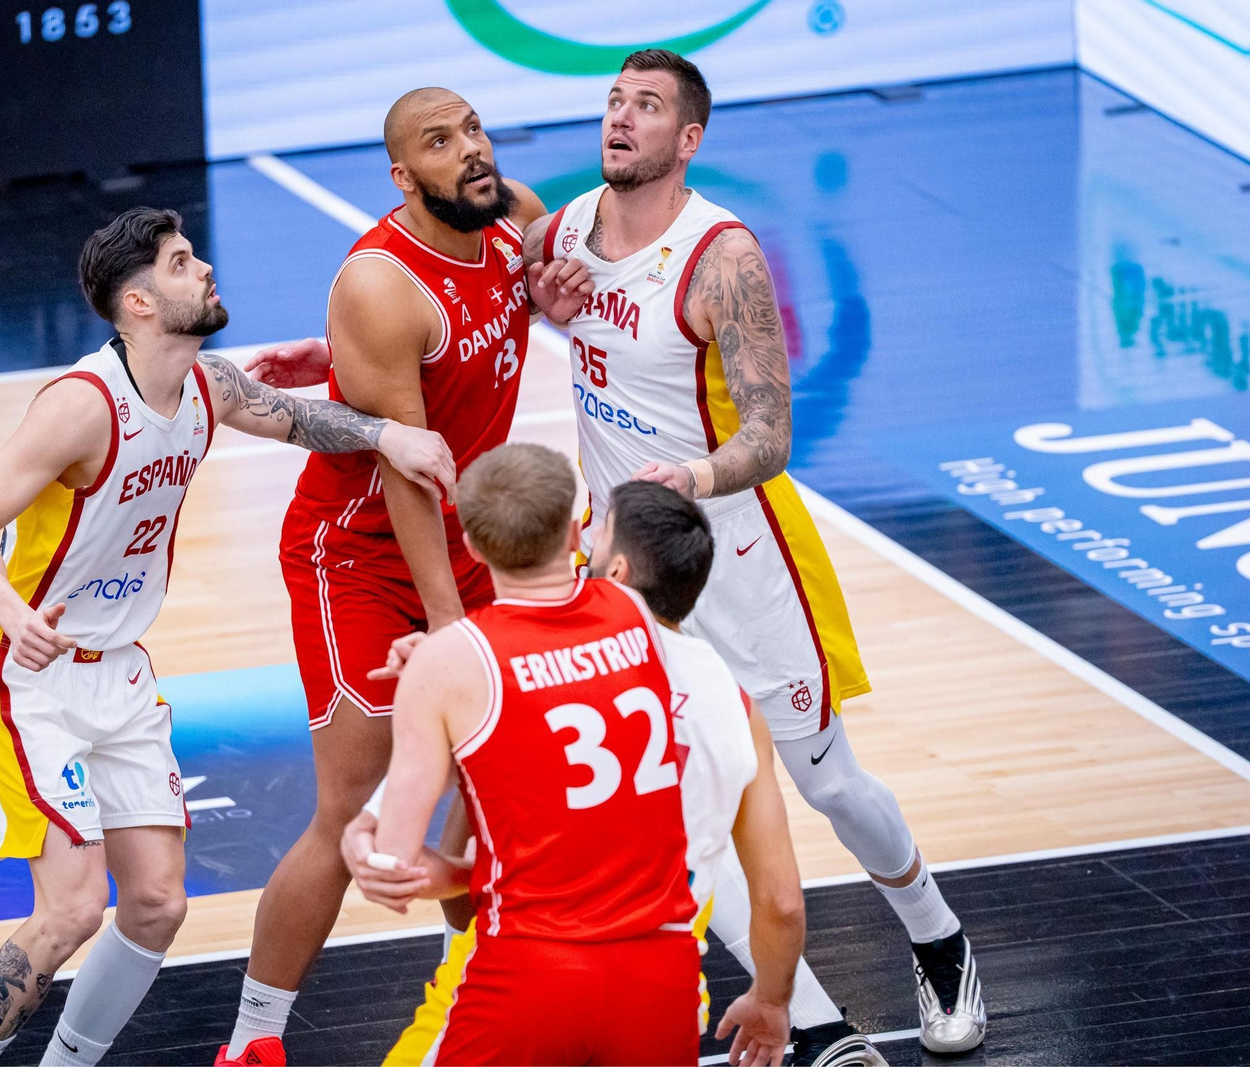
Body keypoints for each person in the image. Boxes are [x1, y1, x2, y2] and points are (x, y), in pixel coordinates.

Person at [524, 49, 986, 1053]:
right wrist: (535, 300)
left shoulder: (721, 257)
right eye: (612, 101)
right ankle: (818, 1026)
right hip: (629, 574)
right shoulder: (561, 233)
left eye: (645, 107)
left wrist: (685, 479)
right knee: (687, 803)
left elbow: (772, 436)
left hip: (741, 557)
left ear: (687, 139)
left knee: (829, 785)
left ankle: (938, 938)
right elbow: (514, 264)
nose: (620, 118)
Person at [0, 206, 456, 1067]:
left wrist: (387, 433)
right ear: (138, 304)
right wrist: (12, 613)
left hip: (124, 671)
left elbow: (297, 419)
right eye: (182, 263)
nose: (205, 267)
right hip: (31, 672)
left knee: (157, 907)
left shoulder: (206, 385)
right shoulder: (80, 405)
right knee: (69, 908)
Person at [218, 89, 583, 1067]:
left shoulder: (509, 215)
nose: (468, 151)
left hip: (469, 538)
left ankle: (488, 985)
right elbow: (402, 470)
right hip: (361, 553)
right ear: (400, 175)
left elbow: (566, 273)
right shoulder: (383, 284)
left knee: (494, 778)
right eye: (439, 141)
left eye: (472, 129)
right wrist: (449, 627)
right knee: (354, 800)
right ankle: (252, 1039)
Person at [347, 479, 886, 1067]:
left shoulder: (531, 671)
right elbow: (781, 900)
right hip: (660, 985)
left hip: (525, 971)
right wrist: (774, 1001)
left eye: (598, 535)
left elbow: (515, 852)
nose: (585, 549)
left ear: (619, 571)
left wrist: (435, 681)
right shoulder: (733, 701)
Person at [358, 443, 707, 1065]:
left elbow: (393, 864)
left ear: (469, 547)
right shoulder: (633, 611)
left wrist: (358, 833)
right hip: (662, 971)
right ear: (576, 534)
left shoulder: (452, 662)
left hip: (531, 969)